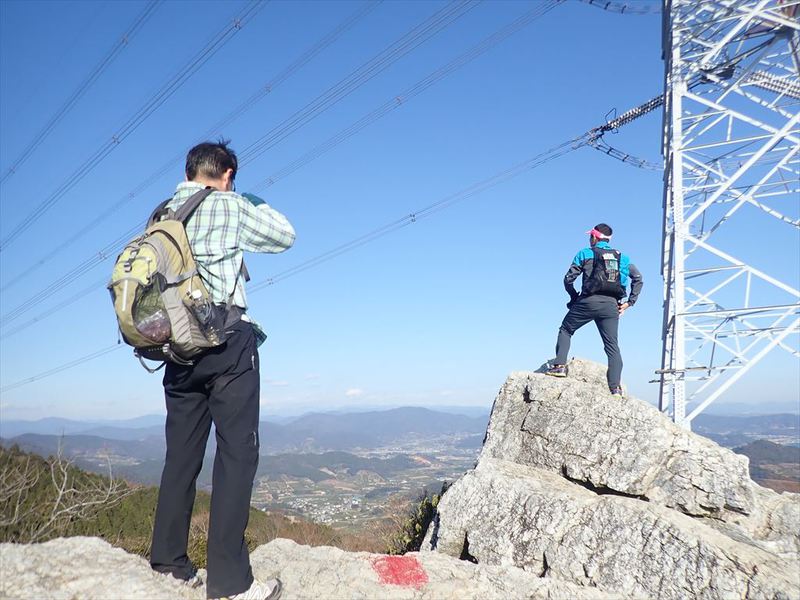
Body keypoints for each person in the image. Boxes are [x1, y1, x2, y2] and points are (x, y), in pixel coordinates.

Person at [149, 140, 294, 600]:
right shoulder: (229, 204)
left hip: (175, 350)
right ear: (227, 173)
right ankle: (230, 584)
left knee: (181, 458)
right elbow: (285, 235)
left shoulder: (160, 215)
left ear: (188, 171)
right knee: (236, 456)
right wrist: (249, 200)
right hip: (226, 340)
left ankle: (168, 564)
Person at [546, 223, 643, 396]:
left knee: (566, 330)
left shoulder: (585, 253)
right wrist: (629, 303)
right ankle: (615, 388)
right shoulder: (623, 258)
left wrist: (573, 297)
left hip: (587, 302)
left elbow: (568, 279)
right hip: (612, 305)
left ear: (594, 237)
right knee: (612, 346)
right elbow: (638, 278)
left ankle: (559, 366)